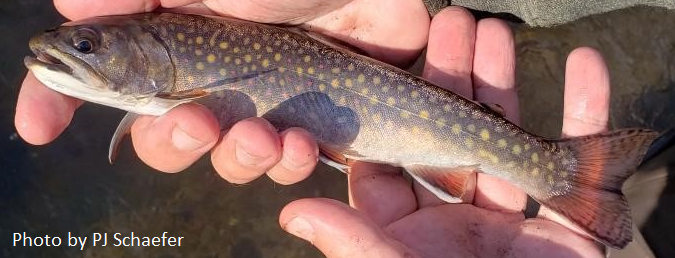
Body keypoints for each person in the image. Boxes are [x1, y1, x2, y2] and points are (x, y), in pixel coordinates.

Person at [16, 0, 612, 257]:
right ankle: (566, 176)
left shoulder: (173, 64)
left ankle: (562, 173)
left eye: (87, 45)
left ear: (147, 51)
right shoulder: (168, 67)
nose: (68, 50)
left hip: (381, 104)